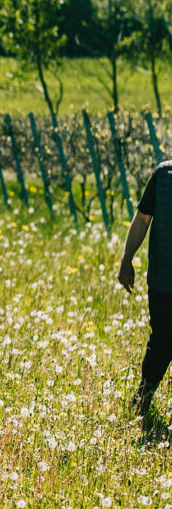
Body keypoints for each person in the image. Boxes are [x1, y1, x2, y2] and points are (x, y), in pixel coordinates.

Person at [118, 160, 172, 416]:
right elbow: (142, 219)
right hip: (164, 282)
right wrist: (126, 259)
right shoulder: (163, 176)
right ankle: (145, 392)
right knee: (162, 342)